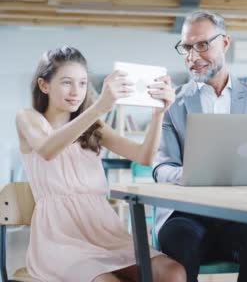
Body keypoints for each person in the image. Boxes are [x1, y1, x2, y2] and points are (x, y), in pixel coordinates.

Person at [15, 46, 185, 282]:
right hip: (60, 239)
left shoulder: (95, 127)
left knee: (173, 273)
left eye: (83, 83)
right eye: (67, 82)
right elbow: (47, 149)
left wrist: (159, 114)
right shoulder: (29, 118)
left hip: (105, 230)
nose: (76, 91)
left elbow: (144, 156)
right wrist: (101, 106)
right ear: (44, 85)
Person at [153, 10, 247, 282]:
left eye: (202, 45)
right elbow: (161, 167)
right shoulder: (172, 102)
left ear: (225, 43)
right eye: (186, 47)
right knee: (180, 240)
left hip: (242, 213)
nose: (192, 56)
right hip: (186, 212)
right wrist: (191, 174)